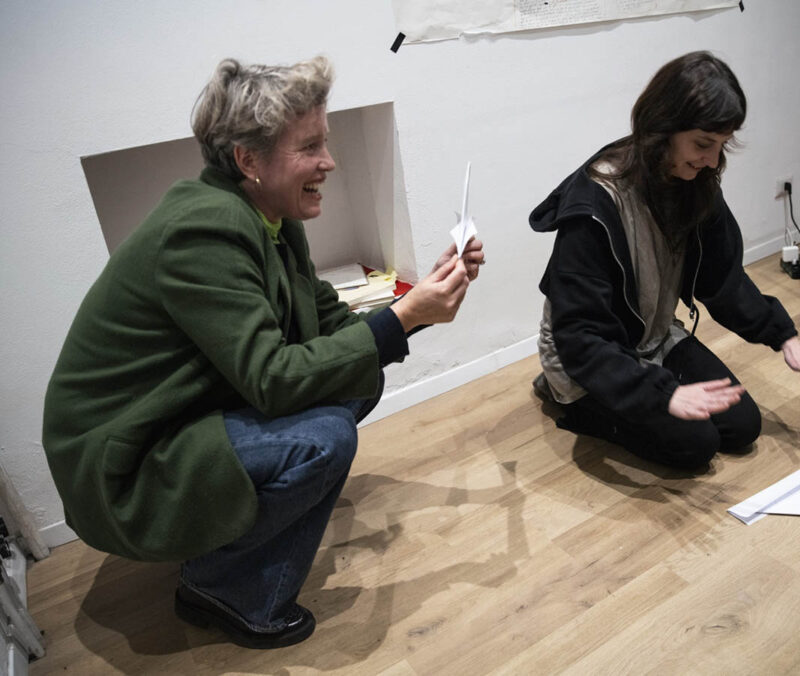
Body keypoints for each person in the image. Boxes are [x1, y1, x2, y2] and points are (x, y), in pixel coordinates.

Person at [42, 56, 484, 649]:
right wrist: (406, 317)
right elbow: (273, 378)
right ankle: (220, 587)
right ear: (248, 160)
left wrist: (419, 302)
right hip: (126, 456)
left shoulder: (267, 216)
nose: (329, 162)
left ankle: (229, 547)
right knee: (325, 437)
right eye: (310, 147)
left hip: (180, 415)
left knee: (357, 379)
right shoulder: (205, 231)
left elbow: (327, 324)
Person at [530, 51, 800, 470]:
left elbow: (722, 278)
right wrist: (663, 394)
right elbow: (580, 336)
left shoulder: (695, 182)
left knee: (742, 428)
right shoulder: (593, 204)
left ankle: (649, 392)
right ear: (662, 128)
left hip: (652, 336)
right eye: (703, 144)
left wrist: (784, 337)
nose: (711, 159)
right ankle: (566, 399)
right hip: (590, 358)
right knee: (694, 446)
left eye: (721, 146)